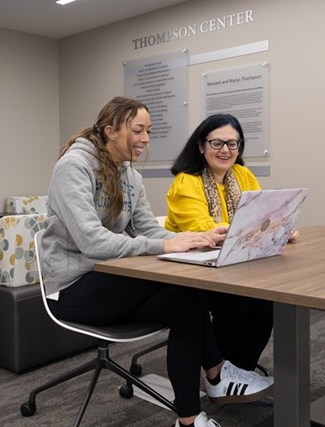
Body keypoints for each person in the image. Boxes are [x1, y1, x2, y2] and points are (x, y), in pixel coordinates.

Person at [39, 97, 273, 427]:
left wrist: (190, 242)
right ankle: (219, 374)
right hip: (73, 289)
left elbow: (147, 227)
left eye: (148, 130)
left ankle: (192, 415)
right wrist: (165, 243)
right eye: (139, 130)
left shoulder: (130, 175)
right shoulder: (73, 168)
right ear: (111, 131)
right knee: (182, 292)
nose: (147, 138)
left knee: (187, 297)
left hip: (112, 282)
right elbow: (92, 242)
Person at [165, 114, 299, 385]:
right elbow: (205, 230)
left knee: (266, 303)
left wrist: (280, 227)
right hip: (197, 269)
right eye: (217, 143)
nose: (225, 150)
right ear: (201, 146)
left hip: (236, 263)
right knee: (235, 304)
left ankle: (241, 372)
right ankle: (221, 378)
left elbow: (262, 214)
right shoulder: (186, 182)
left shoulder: (243, 174)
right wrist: (257, 229)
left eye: (232, 144)